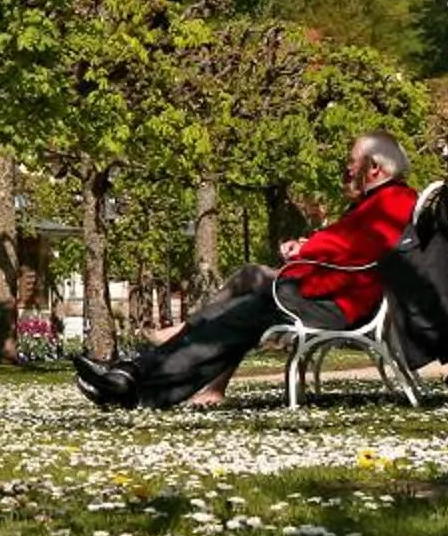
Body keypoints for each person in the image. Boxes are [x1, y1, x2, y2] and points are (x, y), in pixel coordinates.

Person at [76, 132, 417, 411]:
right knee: (235, 306)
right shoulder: (383, 203)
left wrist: (305, 250)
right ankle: (131, 375)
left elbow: (355, 254)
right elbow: (350, 247)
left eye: (351, 164)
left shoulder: (391, 204)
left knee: (230, 317)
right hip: (327, 292)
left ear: (373, 168)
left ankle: (137, 382)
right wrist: (309, 248)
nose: (345, 171)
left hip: (334, 302)